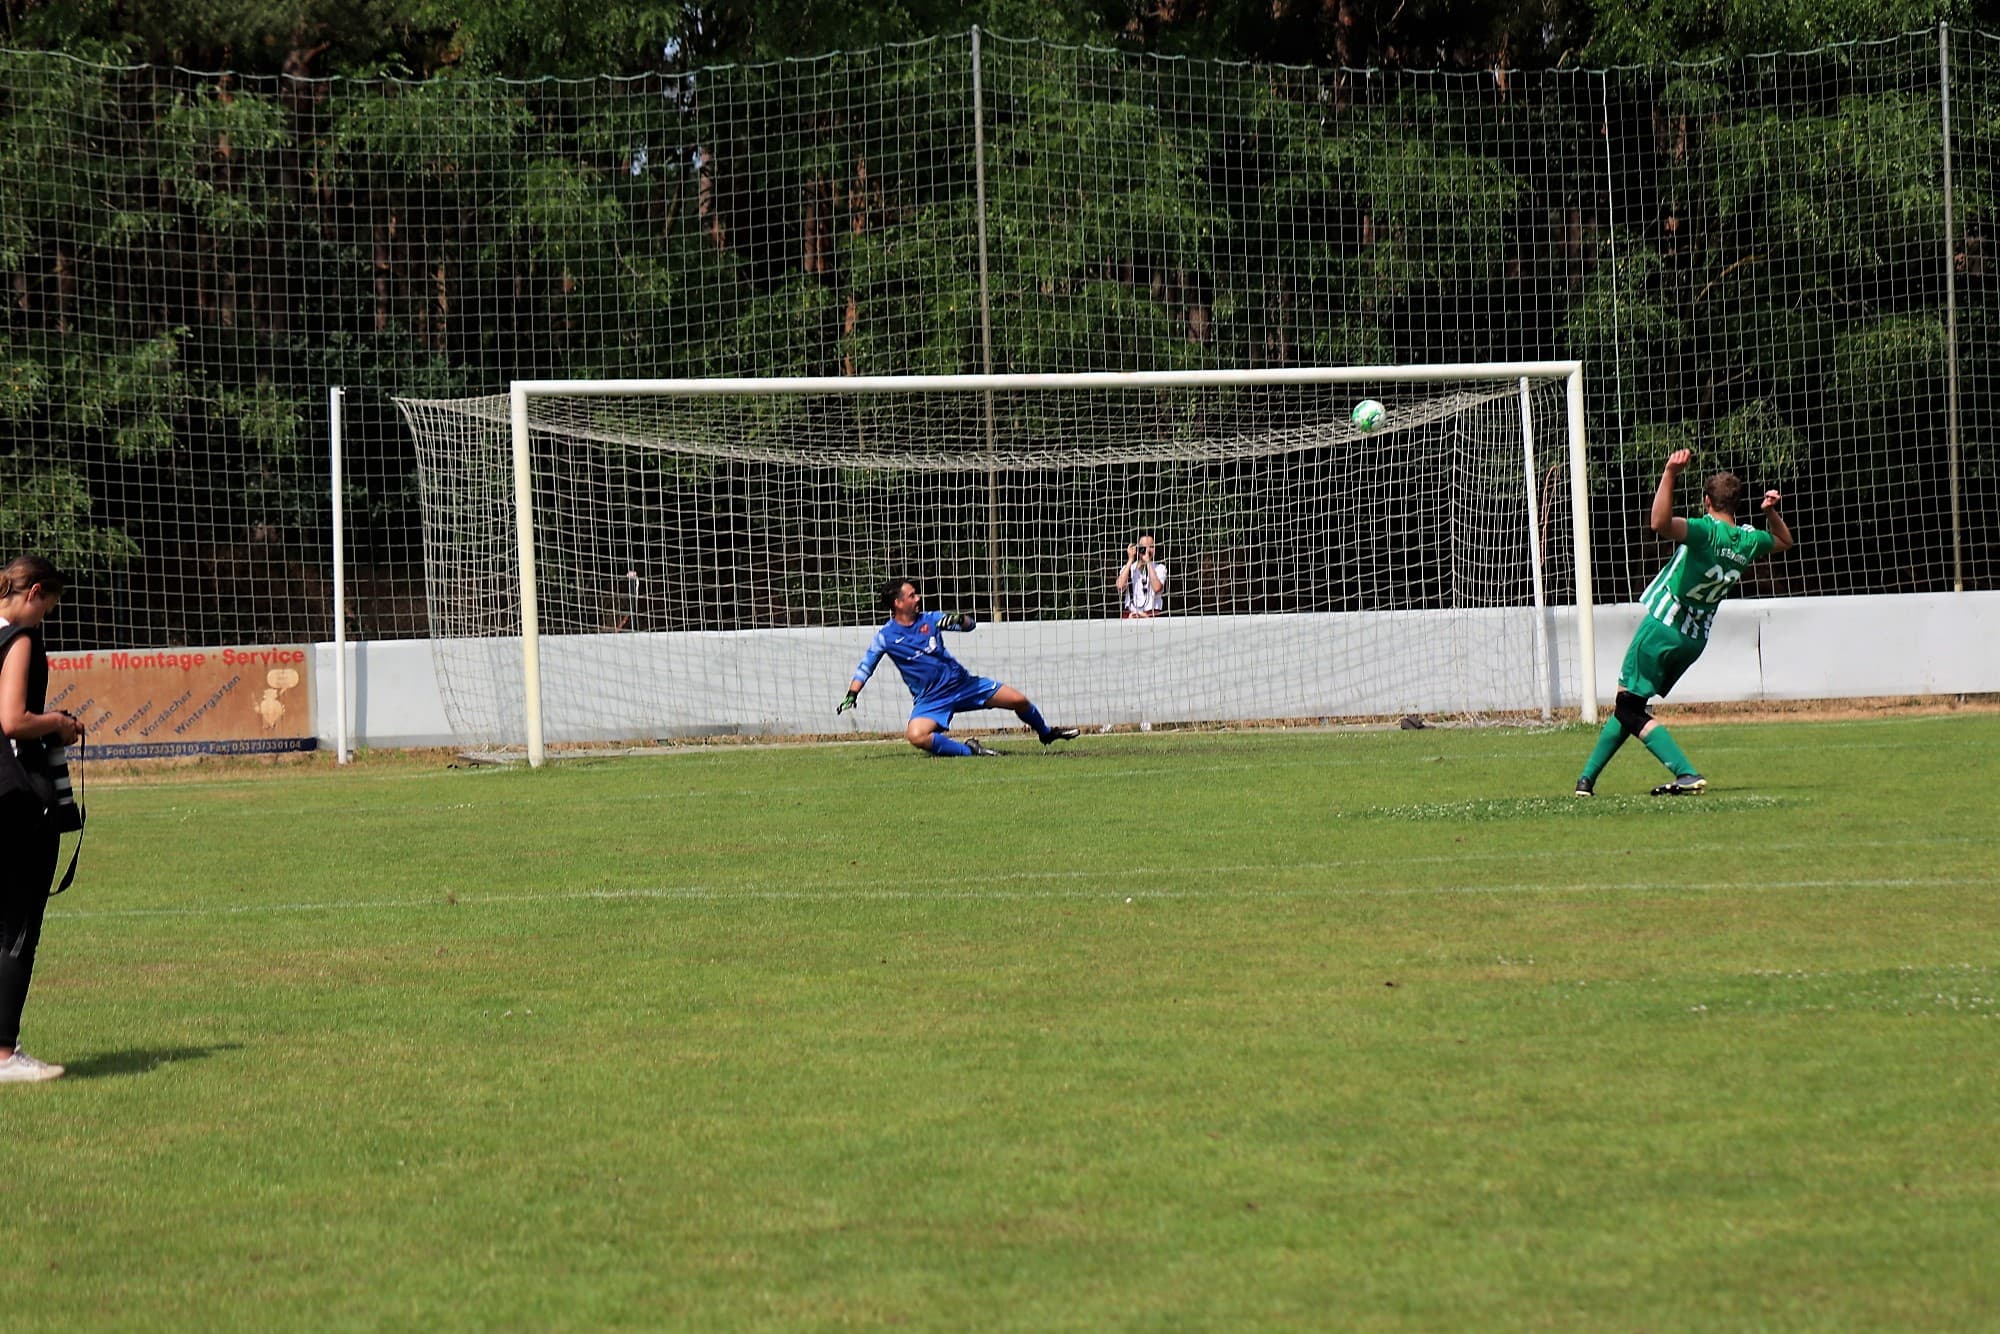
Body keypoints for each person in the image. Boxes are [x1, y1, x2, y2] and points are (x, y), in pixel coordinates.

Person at [1575, 450, 1794, 797]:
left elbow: (1659, 523)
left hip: (1664, 624)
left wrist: (1669, 472)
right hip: (1693, 639)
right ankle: (1585, 781)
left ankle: (1686, 773)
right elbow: (1785, 541)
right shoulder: (1748, 540)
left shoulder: (1705, 532)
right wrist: (1770, 512)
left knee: (1626, 706)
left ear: (1707, 501)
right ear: (1735, 504)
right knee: (1632, 704)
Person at [0, 555, 82, 1084]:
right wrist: (59, 723)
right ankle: (5, 1055)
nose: (45, 617)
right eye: (47, 606)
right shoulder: (21, 640)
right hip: (13, 798)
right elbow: (12, 719)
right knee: (15, 927)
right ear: (33, 594)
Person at [838, 577, 1080, 756]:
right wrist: (852, 694)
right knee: (916, 735)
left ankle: (1046, 733)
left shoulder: (931, 619)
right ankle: (971, 752)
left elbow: (969, 625)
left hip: (964, 685)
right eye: (912, 595)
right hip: (931, 699)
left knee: (1019, 700)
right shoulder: (886, 637)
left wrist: (958, 618)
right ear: (898, 603)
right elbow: (865, 666)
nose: (918, 598)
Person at [1117, 534, 1167, 618]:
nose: (1148, 550)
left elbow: (1157, 588)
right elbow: (1120, 587)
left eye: (1151, 547)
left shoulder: (1160, 568)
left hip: (1152, 613)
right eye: (1144, 547)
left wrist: (1148, 562)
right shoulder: (1129, 568)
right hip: (1131, 615)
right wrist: (1130, 560)